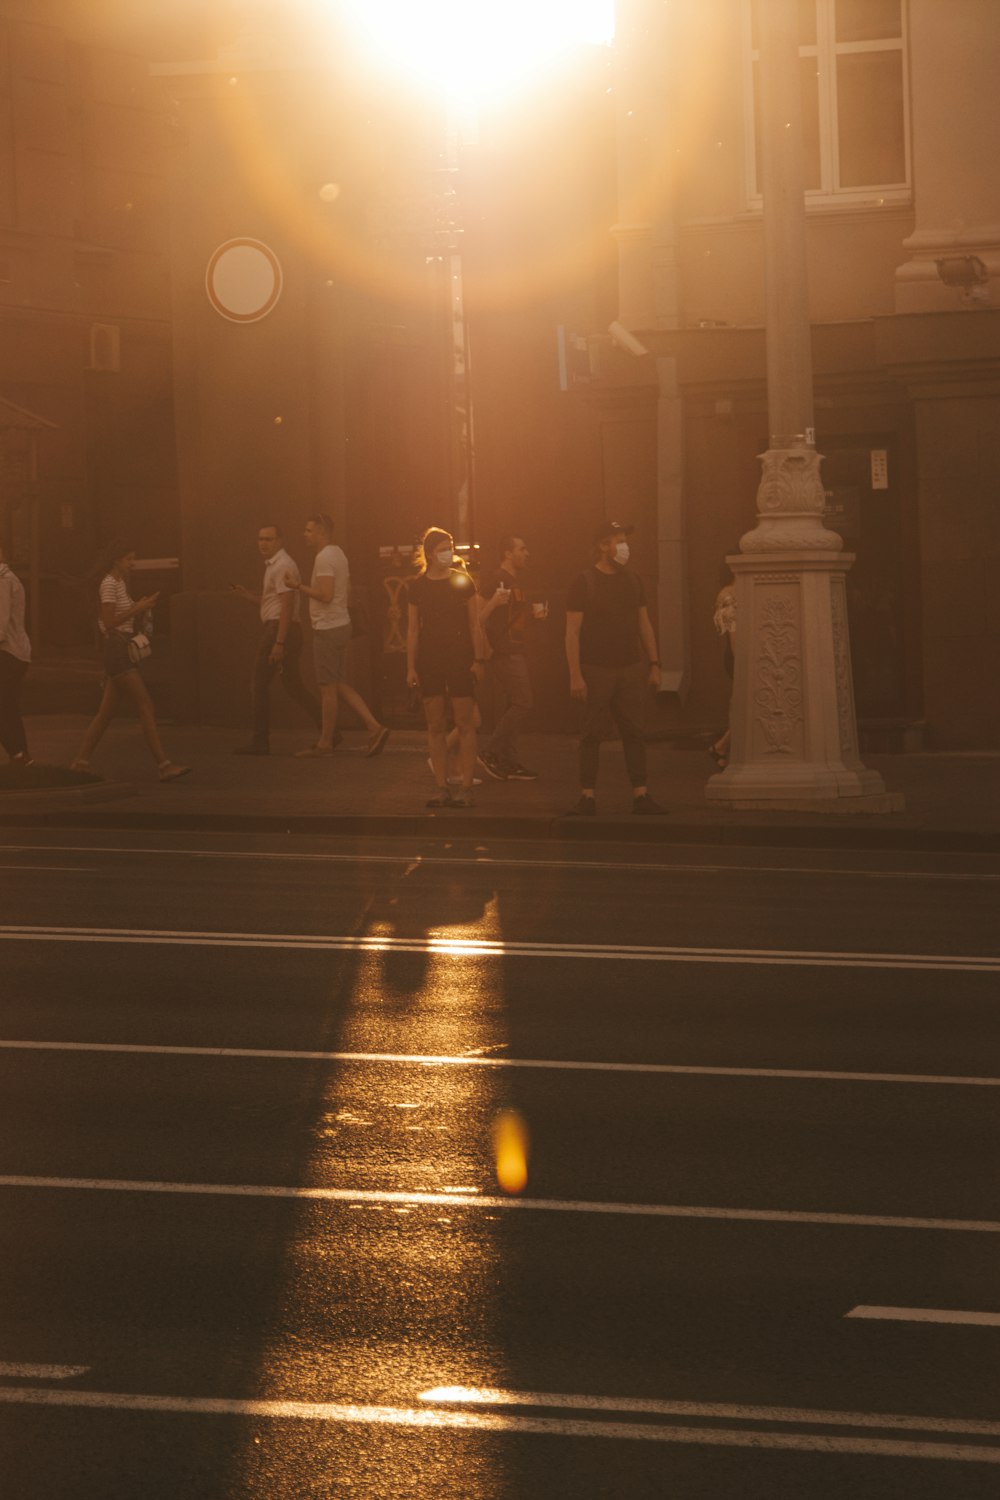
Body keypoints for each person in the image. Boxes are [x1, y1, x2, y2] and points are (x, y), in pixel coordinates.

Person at [564, 520, 665, 815]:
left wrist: (655, 664)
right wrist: (575, 675)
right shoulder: (584, 582)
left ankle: (641, 795)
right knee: (591, 734)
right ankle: (587, 797)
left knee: (634, 731)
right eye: (617, 540)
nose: (624, 547)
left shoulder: (633, 580)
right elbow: (571, 632)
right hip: (596, 669)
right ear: (602, 546)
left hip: (630, 668)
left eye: (624, 540)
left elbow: (643, 623)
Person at [72, 540, 190, 782]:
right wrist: (139, 608)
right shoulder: (108, 584)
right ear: (117, 560)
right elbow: (108, 622)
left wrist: (141, 606)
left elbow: (119, 617)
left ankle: (80, 762)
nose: (132, 563)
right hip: (117, 650)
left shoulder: (119, 583)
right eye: (129, 559)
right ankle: (164, 766)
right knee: (146, 704)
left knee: (106, 713)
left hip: (120, 649)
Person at [285, 514, 389, 758]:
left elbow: (326, 595)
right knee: (339, 683)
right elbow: (348, 590)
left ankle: (325, 743)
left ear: (321, 531)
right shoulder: (339, 554)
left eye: (309, 530)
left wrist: (297, 586)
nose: (305, 534)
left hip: (327, 628)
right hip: (341, 625)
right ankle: (375, 727)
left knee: (327, 688)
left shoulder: (323, 558)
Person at [406, 526, 485, 807]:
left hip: (460, 658)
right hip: (430, 659)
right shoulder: (418, 587)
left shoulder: (463, 582)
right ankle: (441, 786)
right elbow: (413, 629)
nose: (448, 553)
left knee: (464, 722)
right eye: (442, 548)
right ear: (430, 553)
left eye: (449, 547)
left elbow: (474, 624)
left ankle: (465, 786)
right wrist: (411, 667)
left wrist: (478, 660)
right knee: (435, 724)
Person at [231, 522, 321, 755]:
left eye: (269, 539)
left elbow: (287, 607)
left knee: (259, 684)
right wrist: (248, 596)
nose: (263, 543)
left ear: (280, 542)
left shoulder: (282, 566)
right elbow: (274, 602)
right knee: (294, 687)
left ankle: (260, 742)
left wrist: (279, 643)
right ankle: (330, 730)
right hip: (284, 629)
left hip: (279, 630)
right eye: (260, 539)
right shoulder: (275, 566)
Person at [477, 533, 539, 782]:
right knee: (523, 702)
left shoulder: (514, 580)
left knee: (514, 703)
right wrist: (487, 647)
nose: (527, 553)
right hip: (504, 653)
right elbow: (477, 617)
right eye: (522, 549)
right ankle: (490, 751)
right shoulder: (497, 579)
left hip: (515, 650)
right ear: (508, 553)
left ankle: (509, 761)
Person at [0, 540, 32, 767]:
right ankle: (21, 756)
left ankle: (18, 754)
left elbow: (0, 624)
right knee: (8, 706)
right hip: (17, 653)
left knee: (5, 706)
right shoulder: (10, 579)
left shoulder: (3, 581)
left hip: (8, 652)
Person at [710, 574, 737, 768]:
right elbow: (730, 630)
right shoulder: (728, 594)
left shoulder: (731, 592)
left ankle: (724, 755)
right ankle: (721, 747)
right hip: (737, 656)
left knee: (741, 703)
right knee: (743, 704)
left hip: (740, 655)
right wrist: (740, 659)